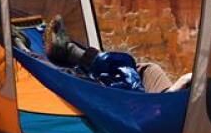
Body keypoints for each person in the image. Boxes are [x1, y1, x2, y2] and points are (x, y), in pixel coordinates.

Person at [41, 15, 191, 93]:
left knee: (128, 77)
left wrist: (176, 88)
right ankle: (74, 56)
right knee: (147, 70)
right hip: (169, 109)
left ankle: (71, 53)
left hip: (160, 115)